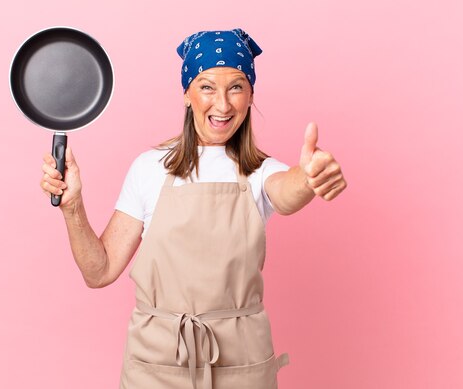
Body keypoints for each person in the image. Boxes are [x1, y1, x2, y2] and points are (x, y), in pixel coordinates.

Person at [40, 28, 346, 389]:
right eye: (206, 87)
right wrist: (72, 207)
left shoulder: (262, 172)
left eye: (236, 87)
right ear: (186, 94)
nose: (222, 104)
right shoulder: (149, 168)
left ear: (250, 95)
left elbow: (287, 191)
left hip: (240, 362)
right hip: (156, 361)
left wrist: (309, 178)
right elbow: (100, 271)